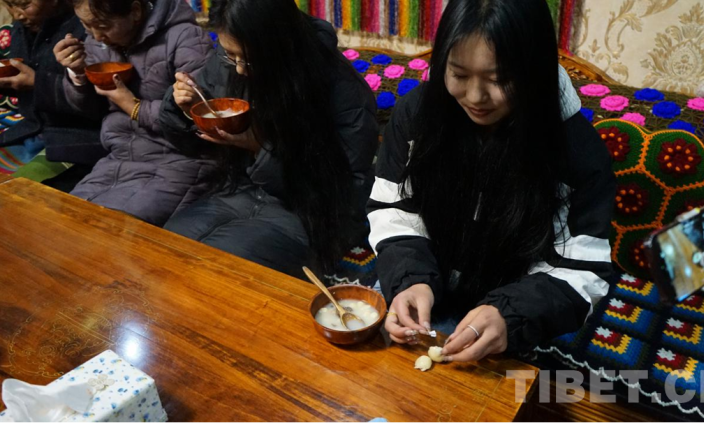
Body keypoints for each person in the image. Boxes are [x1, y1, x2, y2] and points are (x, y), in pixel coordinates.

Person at [368, 0, 616, 362]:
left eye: (499, 80)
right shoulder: (418, 116)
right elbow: (393, 207)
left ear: (534, 70)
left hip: (509, 316)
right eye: (458, 74)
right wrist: (409, 280)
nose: (475, 97)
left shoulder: (574, 150)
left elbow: (581, 269)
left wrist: (508, 315)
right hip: (421, 290)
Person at [159, 0, 378, 278]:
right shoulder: (227, 62)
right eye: (230, 54)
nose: (239, 69)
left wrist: (260, 148)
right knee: (168, 245)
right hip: (239, 191)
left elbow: (348, 192)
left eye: (249, 59)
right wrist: (184, 109)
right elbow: (191, 145)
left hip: (311, 216)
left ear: (281, 45)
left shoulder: (343, 89)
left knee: (220, 267)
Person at [53, 0, 214, 225]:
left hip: (180, 160)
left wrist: (133, 106)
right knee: (65, 218)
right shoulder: (97, 42)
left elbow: (201, 120)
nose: (96, 36)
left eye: (103, 26)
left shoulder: (186, 38)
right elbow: (88, 110)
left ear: (136, 11)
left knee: (115, 227)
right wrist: (77, 74)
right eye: (86, 25)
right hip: (119, 156)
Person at [0, 0, 104, 179]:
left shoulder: (87, 28)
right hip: (32, 130)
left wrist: (37, 83)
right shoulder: (22, 28)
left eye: (24, 5)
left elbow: (100, 105)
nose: (17, 14)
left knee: (17, 188)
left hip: (78, 138)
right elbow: (25, 88)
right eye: (10, 5)